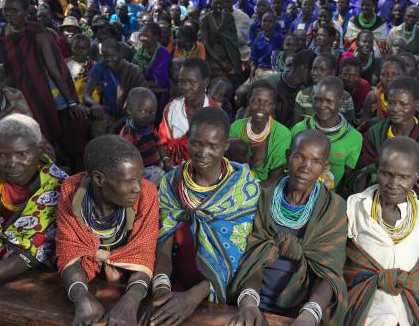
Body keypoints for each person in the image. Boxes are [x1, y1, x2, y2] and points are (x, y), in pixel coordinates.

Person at [145, 107, 260, 325]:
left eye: (213, 146)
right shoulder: (172, 183)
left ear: (225, 146)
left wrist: (194, 296)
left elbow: (244, 257)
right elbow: (163, 245)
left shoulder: (245, 190)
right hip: (177, 287)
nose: (202, 152)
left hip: (228, 294)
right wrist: (161, 291)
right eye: (196, 143)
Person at [228, 130, 348, 325]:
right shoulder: (263, 199)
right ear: (287, 156)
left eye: (316, 162)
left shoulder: (333, 209)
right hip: (253, 299)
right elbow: (252, 259)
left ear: (325, 167)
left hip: (303, 309)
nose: (305, 167)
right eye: (299, 157)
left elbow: (329, 272)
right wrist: (249, 304)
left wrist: (308, 316)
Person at [56, 135, 159, 326]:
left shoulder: (147, 194)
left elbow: (143, 254)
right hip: (87, 280)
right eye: (129, 181)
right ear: (98, 179)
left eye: (140, 178)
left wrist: (131, 300)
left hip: (130, 282)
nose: (137, 188)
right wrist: (81, 297)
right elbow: (69, 250)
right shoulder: (71, 190)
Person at [345, 136, 419, 326]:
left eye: (404, 177)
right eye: (386, 174)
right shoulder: (355, 207)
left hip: (407, 318)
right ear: (377, 168)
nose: (393, 183)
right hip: (362, 316)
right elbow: (345, 267)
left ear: (418, 174)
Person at [0, 115, 67, 288]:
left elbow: (30, 255)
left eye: (22, 154)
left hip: (36, 275)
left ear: (40, 149)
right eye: (1, 154)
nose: (12, 163)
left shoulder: (58, 186)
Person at [0, 0, 86, 165]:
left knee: (47, 131)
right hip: (18, 91)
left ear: (26, 11)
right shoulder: (4, 30)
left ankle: (60, 166)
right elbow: (8, 67)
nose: (9, 14)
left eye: (14, 10)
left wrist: (71, 101)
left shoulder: (36, 32)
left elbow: (53, 68)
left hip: (42, 90)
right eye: (6, 10)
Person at [358, 76, 419, 202]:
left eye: (403, 104)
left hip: (417, 204)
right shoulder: (375, 133)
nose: (395, 109)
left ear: (418, 104)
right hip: (373, 197)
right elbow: (362, 172)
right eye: (391, 102)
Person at [292, 76, 363, 192]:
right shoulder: (300, 129)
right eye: (318, 99)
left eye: (329, 101)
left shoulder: (354, 138)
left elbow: (347, 175)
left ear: (341, 102)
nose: (322, 105)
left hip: (329, 197)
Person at [159, 58, 219, 166]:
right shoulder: (172, 109)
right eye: (181, 82)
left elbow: (217, 150)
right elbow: (162, 143)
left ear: (206, 82)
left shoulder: (214, 111)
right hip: (175, 168)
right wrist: (167, 163)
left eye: (192, 82)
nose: (185, 87)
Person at [230, 80, 290, 186]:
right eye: (256, 101)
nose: (261, 107)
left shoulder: (282, 134)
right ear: (249, 101)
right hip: (234, 184)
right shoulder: (236, 127)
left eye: (268, 103)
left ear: (274, 105)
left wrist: (251, 190)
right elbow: (228, 166)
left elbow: (275, 178)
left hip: (265, 189)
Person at [84, 38, 146, 136]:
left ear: (120, 54)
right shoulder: (101, 66)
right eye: (104, 56)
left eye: (111, 55)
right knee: (97, 134)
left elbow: (140, 104)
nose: (108, 59)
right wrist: (94, 104)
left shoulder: (133, 71)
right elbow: (87, 94)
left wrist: (115, 125)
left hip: (128, 116)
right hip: (107, 114)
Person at [119, 87, 171, 186]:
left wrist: (165, 160)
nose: (148, 116)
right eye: (142, 111)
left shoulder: (150, 126)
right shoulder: (129, 133)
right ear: (129, 110)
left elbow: (159, 144)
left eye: (152, 113)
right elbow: (127, 160)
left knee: (173, 173)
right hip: (142, 172)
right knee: (164, 180)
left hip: (157, 165)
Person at [295, 53, 356, 124]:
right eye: (314, 68)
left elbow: (350, 125)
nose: (315, 73)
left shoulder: (345, 96)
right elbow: (296, 123)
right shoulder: (303, 94)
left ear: (333, 72)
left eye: (322, 69)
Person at [263, 49, 315, 128]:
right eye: (312, 70)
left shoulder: (307, 90)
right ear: (303, 68)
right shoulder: (270, 83)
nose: (314, 74)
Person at [200, 0, 242, 86]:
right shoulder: (205, 19)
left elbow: (232, 40)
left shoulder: (228, 18)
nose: (218, 6)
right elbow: (205, 43)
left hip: (229, 57)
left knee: (236, 80)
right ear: (210, 3)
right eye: (215, 3)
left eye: (220, 3)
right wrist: (221, 62)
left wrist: (229, 62)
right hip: (212, 58)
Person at [133, 22, 171, 122]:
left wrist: (141, 84)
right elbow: (134, 76)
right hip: (143, 95)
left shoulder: (162, 52)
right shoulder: (140, 53)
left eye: (146, 36)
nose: (142, 38)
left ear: (156, 37)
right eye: (141, 35)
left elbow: (162, 84)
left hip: (160, 97)